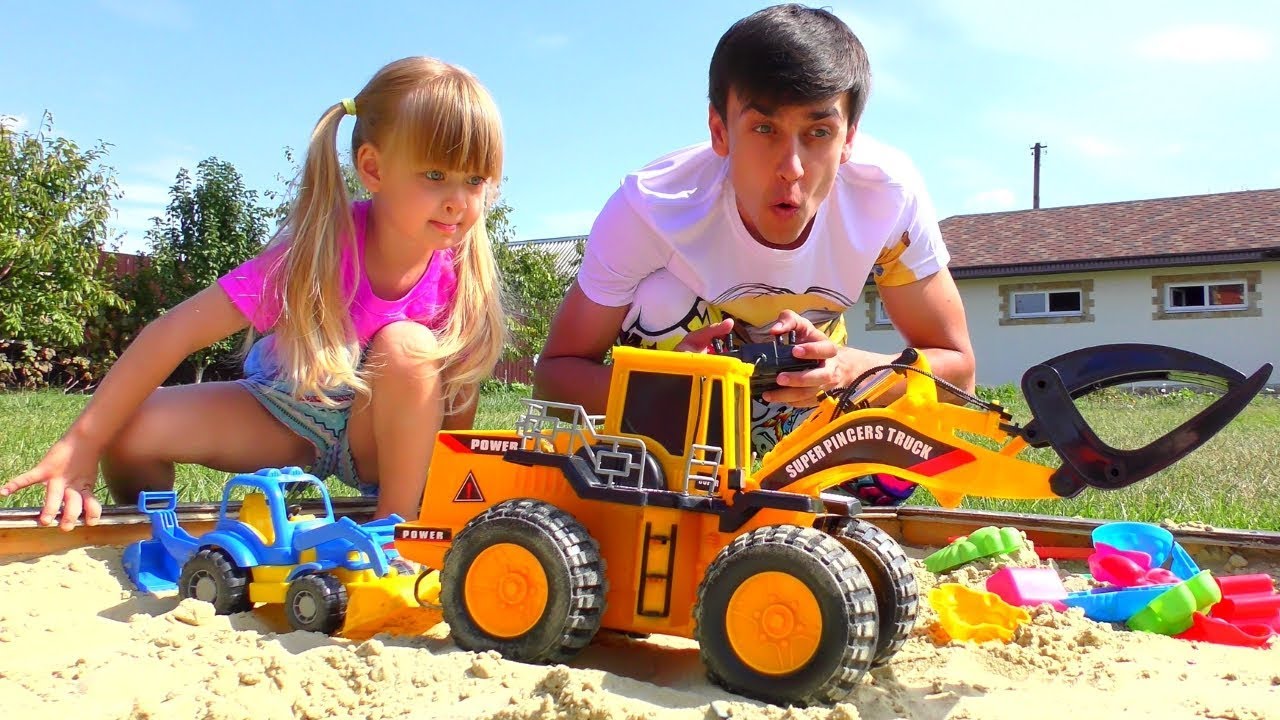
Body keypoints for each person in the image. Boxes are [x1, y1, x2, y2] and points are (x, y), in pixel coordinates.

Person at [2, 56, 507, 529]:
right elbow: (174, 332)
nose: (458, 201)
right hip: (285, 415)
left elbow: (459, 394)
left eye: (474, 180)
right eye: (435, 175)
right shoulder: (317, 250)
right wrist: (84, 441)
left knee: (410, 346)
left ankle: (394, 532)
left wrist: (445, 499)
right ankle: (148, 534)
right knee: (126, 427)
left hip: (378, 440)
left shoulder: (463, 273)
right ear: (373, 169)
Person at [532, 4, 975, 506]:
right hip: (686, 411)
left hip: (809, 398)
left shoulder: (889, 197)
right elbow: (556, 374)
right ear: (720, 131)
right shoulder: (651, 207)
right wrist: (666, 387)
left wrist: (847, 371)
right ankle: (671, 470)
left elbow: (958, 373)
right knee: (661, 298)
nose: (792, 168)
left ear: (849, 138)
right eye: (765, 129)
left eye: (818, 133)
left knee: (896, 451)